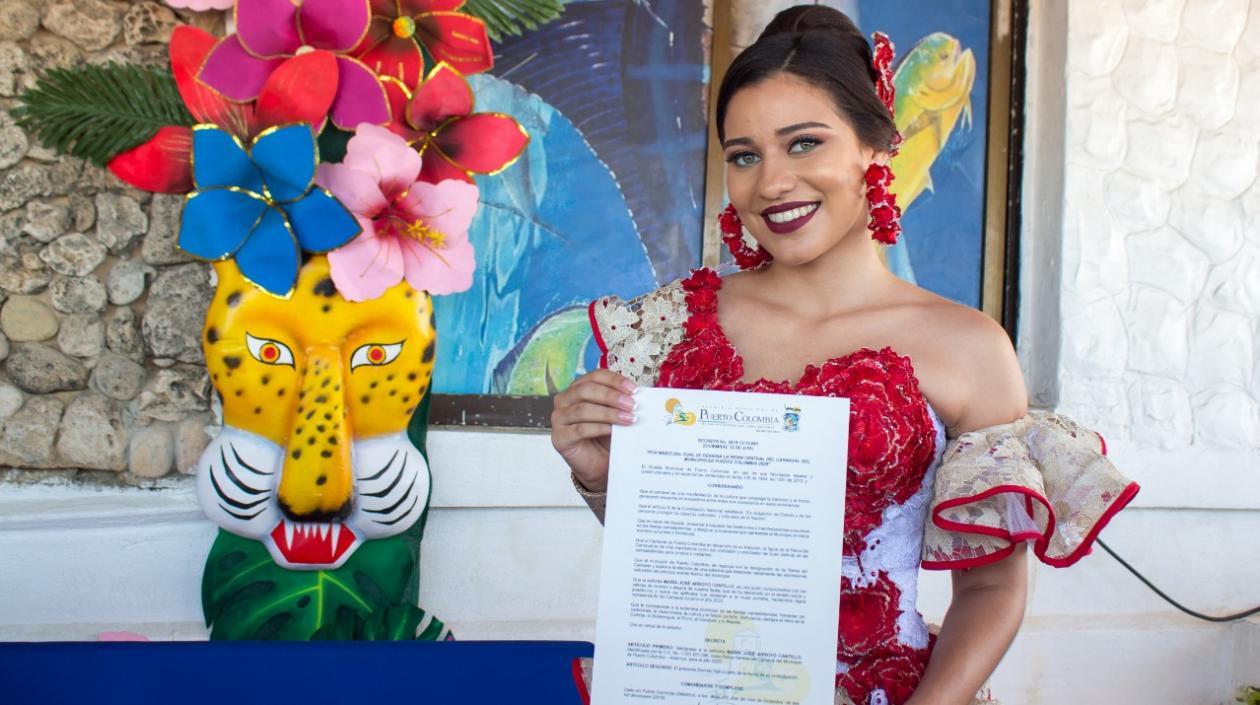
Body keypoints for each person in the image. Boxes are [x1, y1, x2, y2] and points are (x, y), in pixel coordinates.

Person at [549, 6, 1139, 704]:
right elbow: (686, 558)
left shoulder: (968, 347)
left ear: (875, 147)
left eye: (803, 144)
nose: (770, 182)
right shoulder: (669, 325)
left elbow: (991, 585)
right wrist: (598, 478)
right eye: (744, 155)